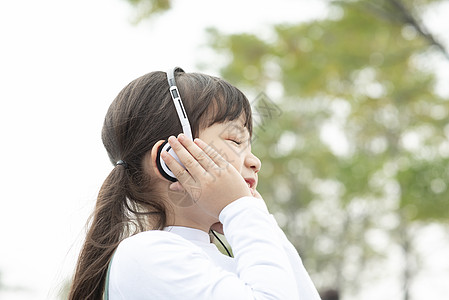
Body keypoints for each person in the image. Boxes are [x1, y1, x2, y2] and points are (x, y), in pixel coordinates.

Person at [68, 67, 321, 300]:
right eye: (235, 140)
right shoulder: (147, 255)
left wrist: (261, 223)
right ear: (171, 157)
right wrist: (241, 210)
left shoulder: (227, 265)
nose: (255, 161)